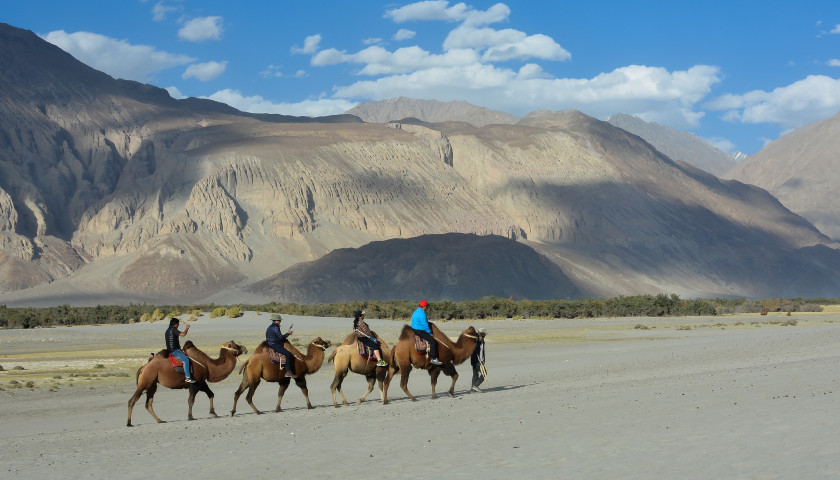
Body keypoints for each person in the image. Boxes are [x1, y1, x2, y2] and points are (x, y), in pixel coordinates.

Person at [411, 300, 443, 366]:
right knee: (433, 341)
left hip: (414, 329)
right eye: (426, 306)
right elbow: (425, 325)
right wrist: (430, 332)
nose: (427, 308)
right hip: (419, 330)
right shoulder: (422, 313)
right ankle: (434, 359)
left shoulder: (416, 311)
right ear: (424, 306)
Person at [266, 313, 297, 378]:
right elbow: (280, 338)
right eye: (279, 320)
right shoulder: (276, 327)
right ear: (276, 320)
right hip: (274, 344)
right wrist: (288, 334)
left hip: (270, 343)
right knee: (288, 354)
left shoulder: (270, 327)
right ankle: (288, 372)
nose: (280, 322)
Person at [165, 317, 195, 383]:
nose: (178, 325)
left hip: (171, 349)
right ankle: (188, 377)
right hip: (174, 350)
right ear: (175, 324)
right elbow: (183, 334)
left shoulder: (167, 330)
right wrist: (186, 328)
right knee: (186, 360)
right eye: (178, 324)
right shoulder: (173, 329)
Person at [471, 328, 487, 392]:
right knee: (484, 374)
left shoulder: (479, 339)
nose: (485, 335)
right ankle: (475, 386)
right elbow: (479, 351)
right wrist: (481, 361)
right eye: (484, 334)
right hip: (477, 360)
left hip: (475, 360)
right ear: (481, 334)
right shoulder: (478, 340)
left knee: (475, 374)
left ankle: (473, 389)